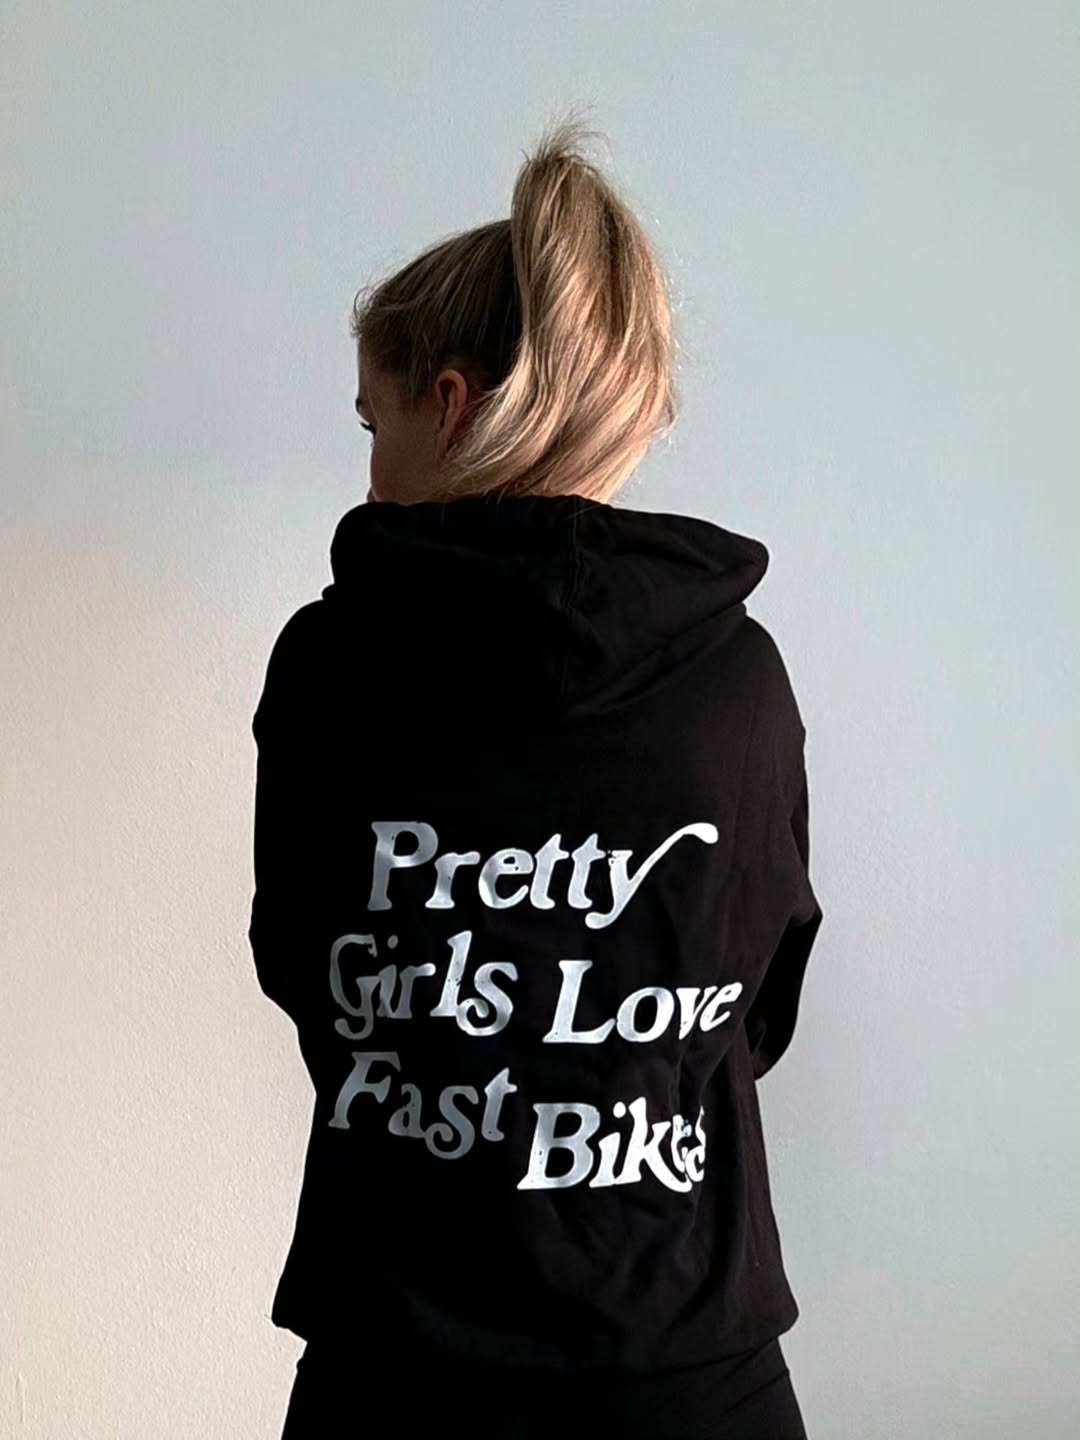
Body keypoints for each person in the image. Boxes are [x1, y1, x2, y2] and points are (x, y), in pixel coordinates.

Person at [250, 110, 823, 1440]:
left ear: (450, 405)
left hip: (396, 1362)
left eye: (374, 419)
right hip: (687, 1367)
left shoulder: (332, 665)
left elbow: (304, 964)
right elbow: (760, 997)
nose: (370, 465)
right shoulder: (737, 682)